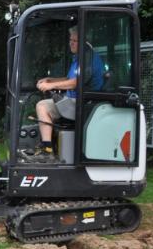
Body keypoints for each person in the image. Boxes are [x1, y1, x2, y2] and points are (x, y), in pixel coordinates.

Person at [32, 26, 104, 158]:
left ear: (84, 42)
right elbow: (69, 79)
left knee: (42, 106)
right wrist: (50, 80)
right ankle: (48, 145)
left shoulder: (90, 59)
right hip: (73, 100)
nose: (71, 43)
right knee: (46, 104)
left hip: (82, 104)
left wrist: (51, 86)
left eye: (75, 41)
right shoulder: (80, 57)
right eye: (71, 40)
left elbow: (77, 82)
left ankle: (47, 148)